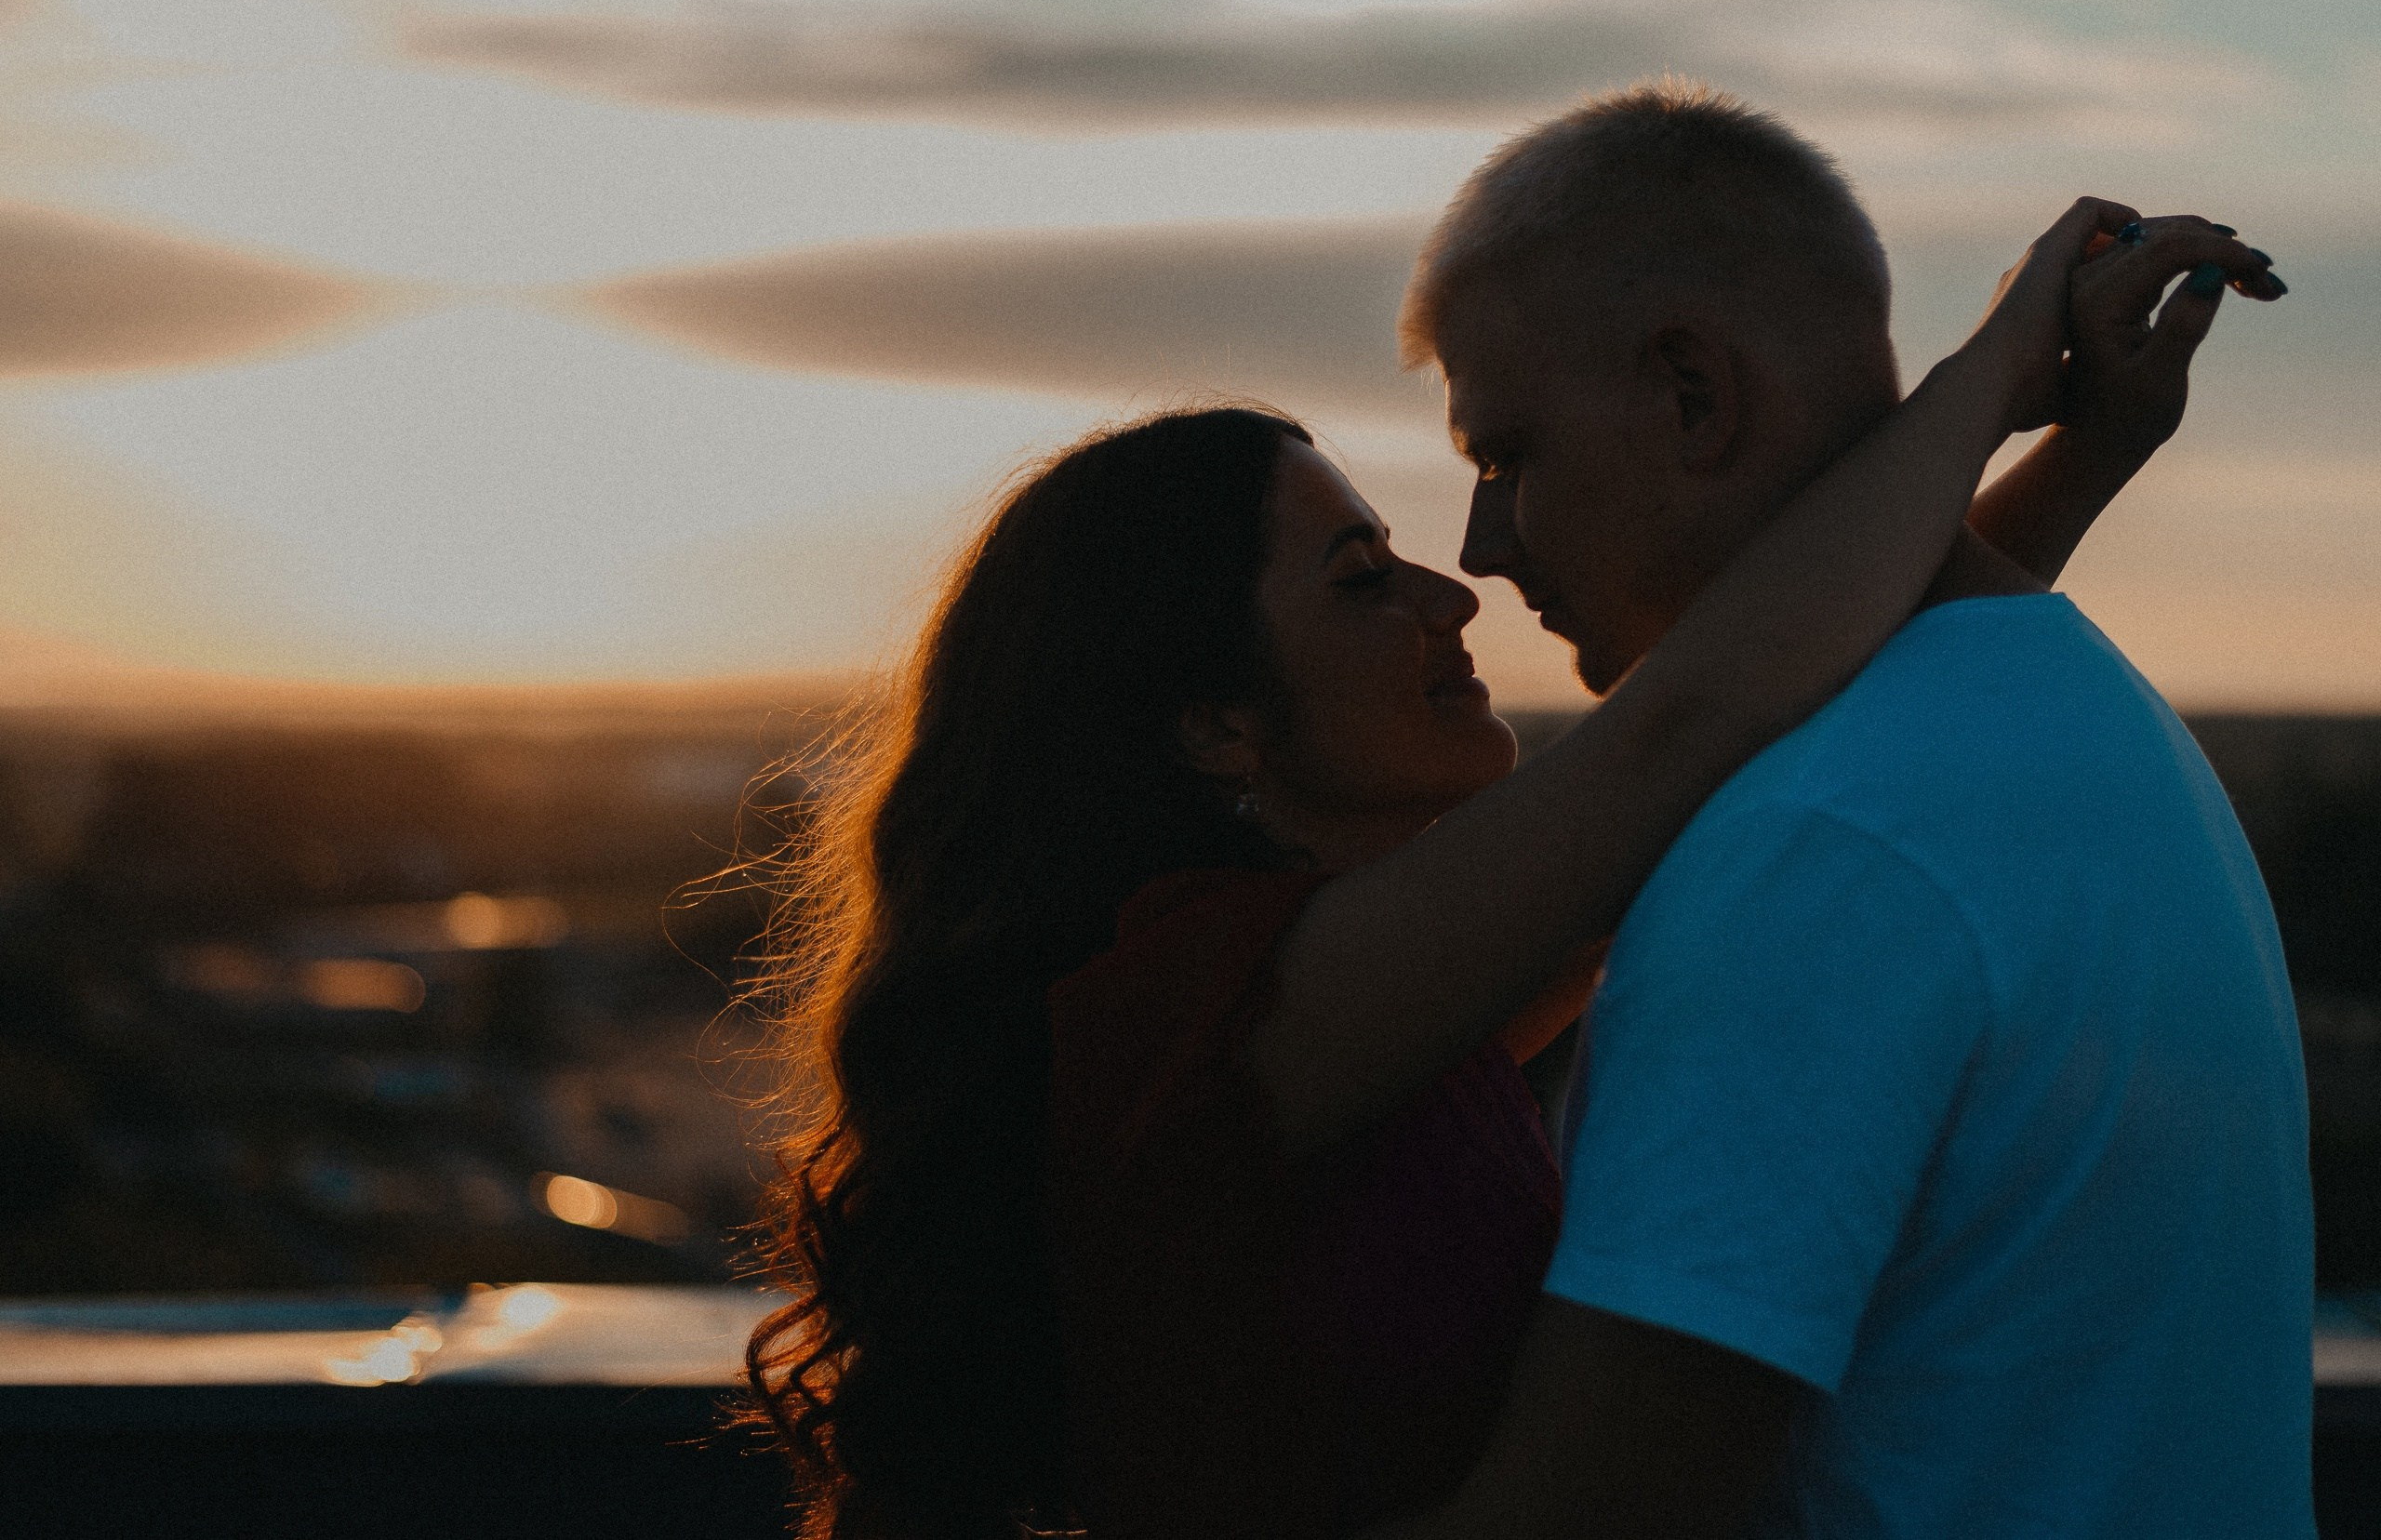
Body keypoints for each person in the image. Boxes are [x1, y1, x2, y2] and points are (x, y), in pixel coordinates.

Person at [737, 105, 2276, 1540]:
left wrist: (2074, 456)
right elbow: (1695, 725)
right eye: (1359, 576)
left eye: (1498, 465)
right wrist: (1992, 374)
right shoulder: (1202, 1017)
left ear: (1688, 393)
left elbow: (1774, 718)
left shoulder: (1420, 986)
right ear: (1212, 718)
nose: (1458, 577)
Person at [1372, 84, 2310, 1539]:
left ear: (1692, 392)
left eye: (1507, 457)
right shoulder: (2071, 722)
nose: (1483, 549)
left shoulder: (1816, 851)